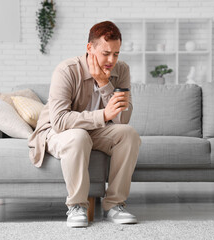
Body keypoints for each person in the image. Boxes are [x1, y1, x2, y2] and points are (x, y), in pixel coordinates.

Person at [28, 21, 141, 228]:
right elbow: (60, 121)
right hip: (56, 130)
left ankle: (115, 205)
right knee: (78, 136)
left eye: (116, 54)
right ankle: (77, 206)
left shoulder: (121, 70)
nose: (111, 60)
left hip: (96, 131)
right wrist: (103, 115)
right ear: (90, 48)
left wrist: (104, 83)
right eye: (106, 53)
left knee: (129, 134)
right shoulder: (67, 70)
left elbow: (123, 120)